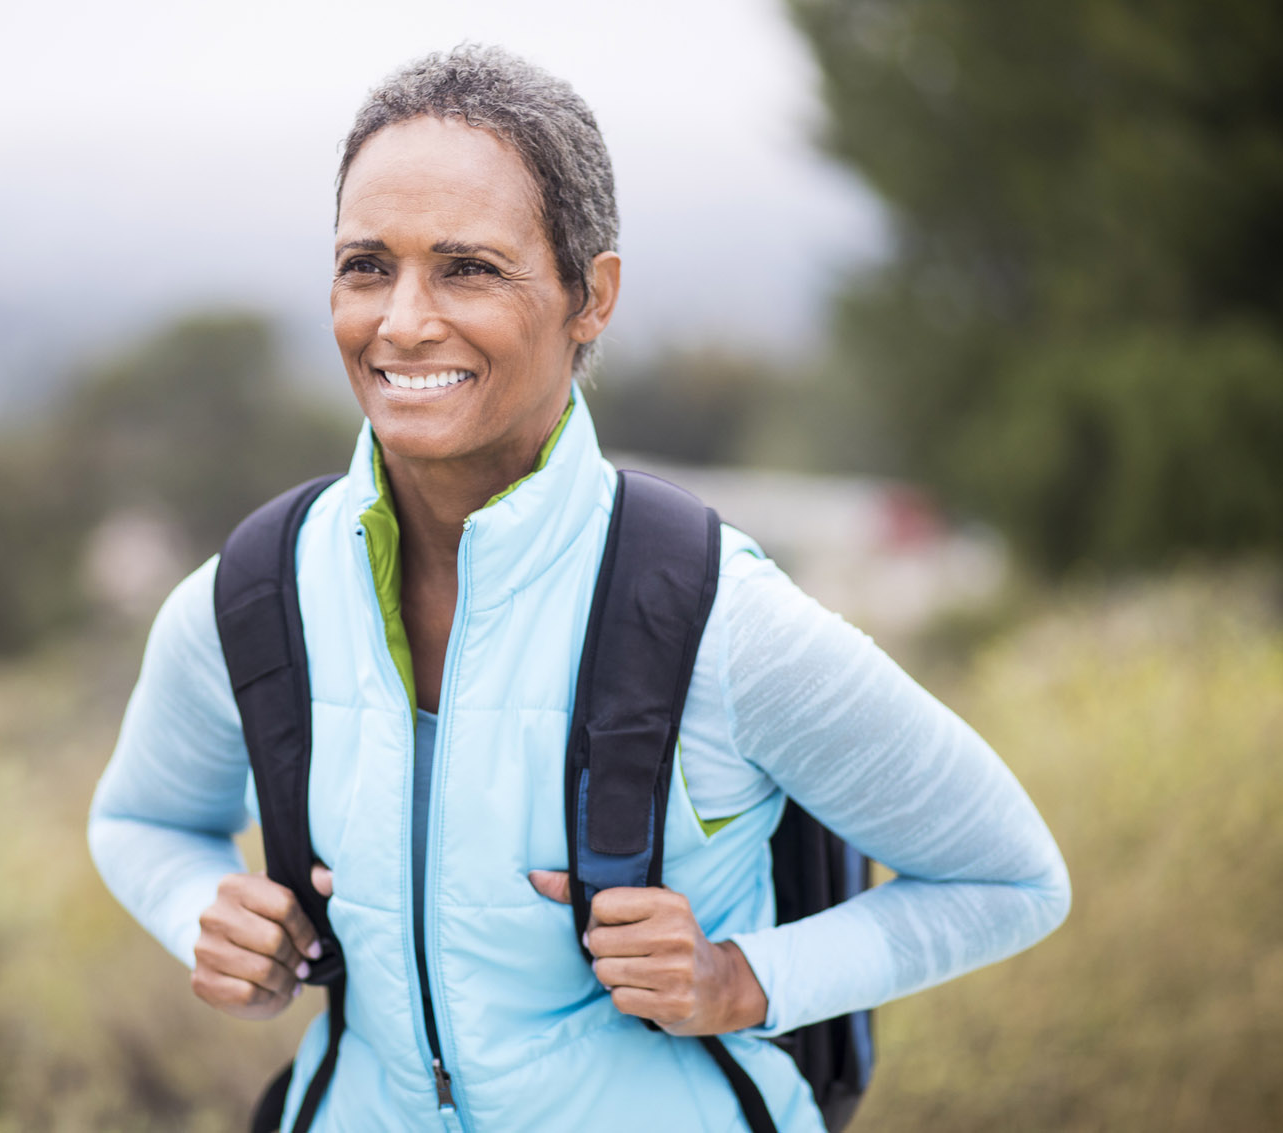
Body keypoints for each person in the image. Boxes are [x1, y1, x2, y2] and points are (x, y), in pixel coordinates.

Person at [88, 45, 1070, 1132]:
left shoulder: (717, 620)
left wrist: (740, 978)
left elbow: (1010, 879)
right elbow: (141, 818)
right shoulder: (254, 597)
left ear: (587, 295)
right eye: (366, 264)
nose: (401, 321)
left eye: (467, 267)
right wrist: (206, 915)